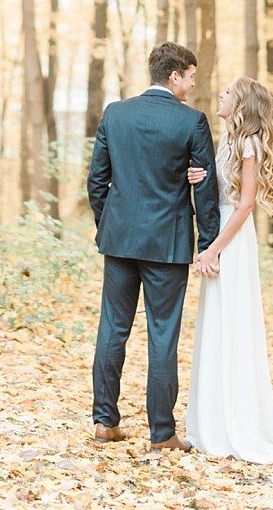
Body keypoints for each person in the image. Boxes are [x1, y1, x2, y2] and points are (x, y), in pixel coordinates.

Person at [87, 41, 221, 451]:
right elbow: (208, 190)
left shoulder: (116, 113)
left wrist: (109, 225)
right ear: (174, 75)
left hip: (121, 240)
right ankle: (162, 433)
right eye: (191, 78)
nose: (192, 87)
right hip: (168, 244)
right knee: (162, 335)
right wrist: (208, 243)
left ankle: (105, 421)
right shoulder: (192, 122)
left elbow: (96, 182)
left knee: (113, 327)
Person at [186, 76, 273, 463]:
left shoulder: (248, 142)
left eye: (227, 92)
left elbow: (246, 203)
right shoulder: (230, 141)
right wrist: (196, 179)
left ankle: (234, 425)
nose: (220, 95)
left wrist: (214, 250)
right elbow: (225, 189)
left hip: (232, 242)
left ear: (241, 103)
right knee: (217, 324)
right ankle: (214, 421)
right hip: (222, 234)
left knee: (231, 324)